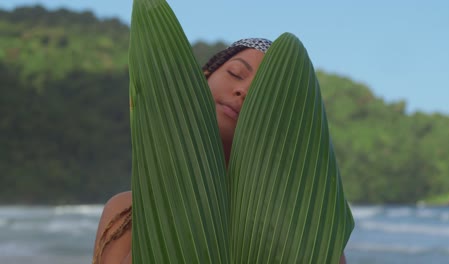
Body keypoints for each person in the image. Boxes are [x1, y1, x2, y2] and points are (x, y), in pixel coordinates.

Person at [93, 38, 347, 264]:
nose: (244, 91)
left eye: (263, 94)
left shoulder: (307, 228)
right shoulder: (128, 212)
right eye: (236, 73)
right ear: (203, 78)